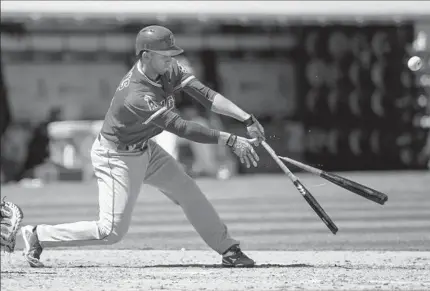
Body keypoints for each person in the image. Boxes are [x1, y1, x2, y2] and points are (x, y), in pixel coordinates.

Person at [21, 25, 266, 268]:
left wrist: (246, 118)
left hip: (146, 150)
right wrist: (231, 139)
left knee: (188, 191)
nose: (172, 59)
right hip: (116, 156)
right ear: (146, 55)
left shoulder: (167, 70)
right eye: (166, 54)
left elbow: (206, 95)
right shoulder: (136, 95)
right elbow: (181, 127)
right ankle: (38, 235)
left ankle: (228, 249)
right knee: (111, 232)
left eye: (172, 54)